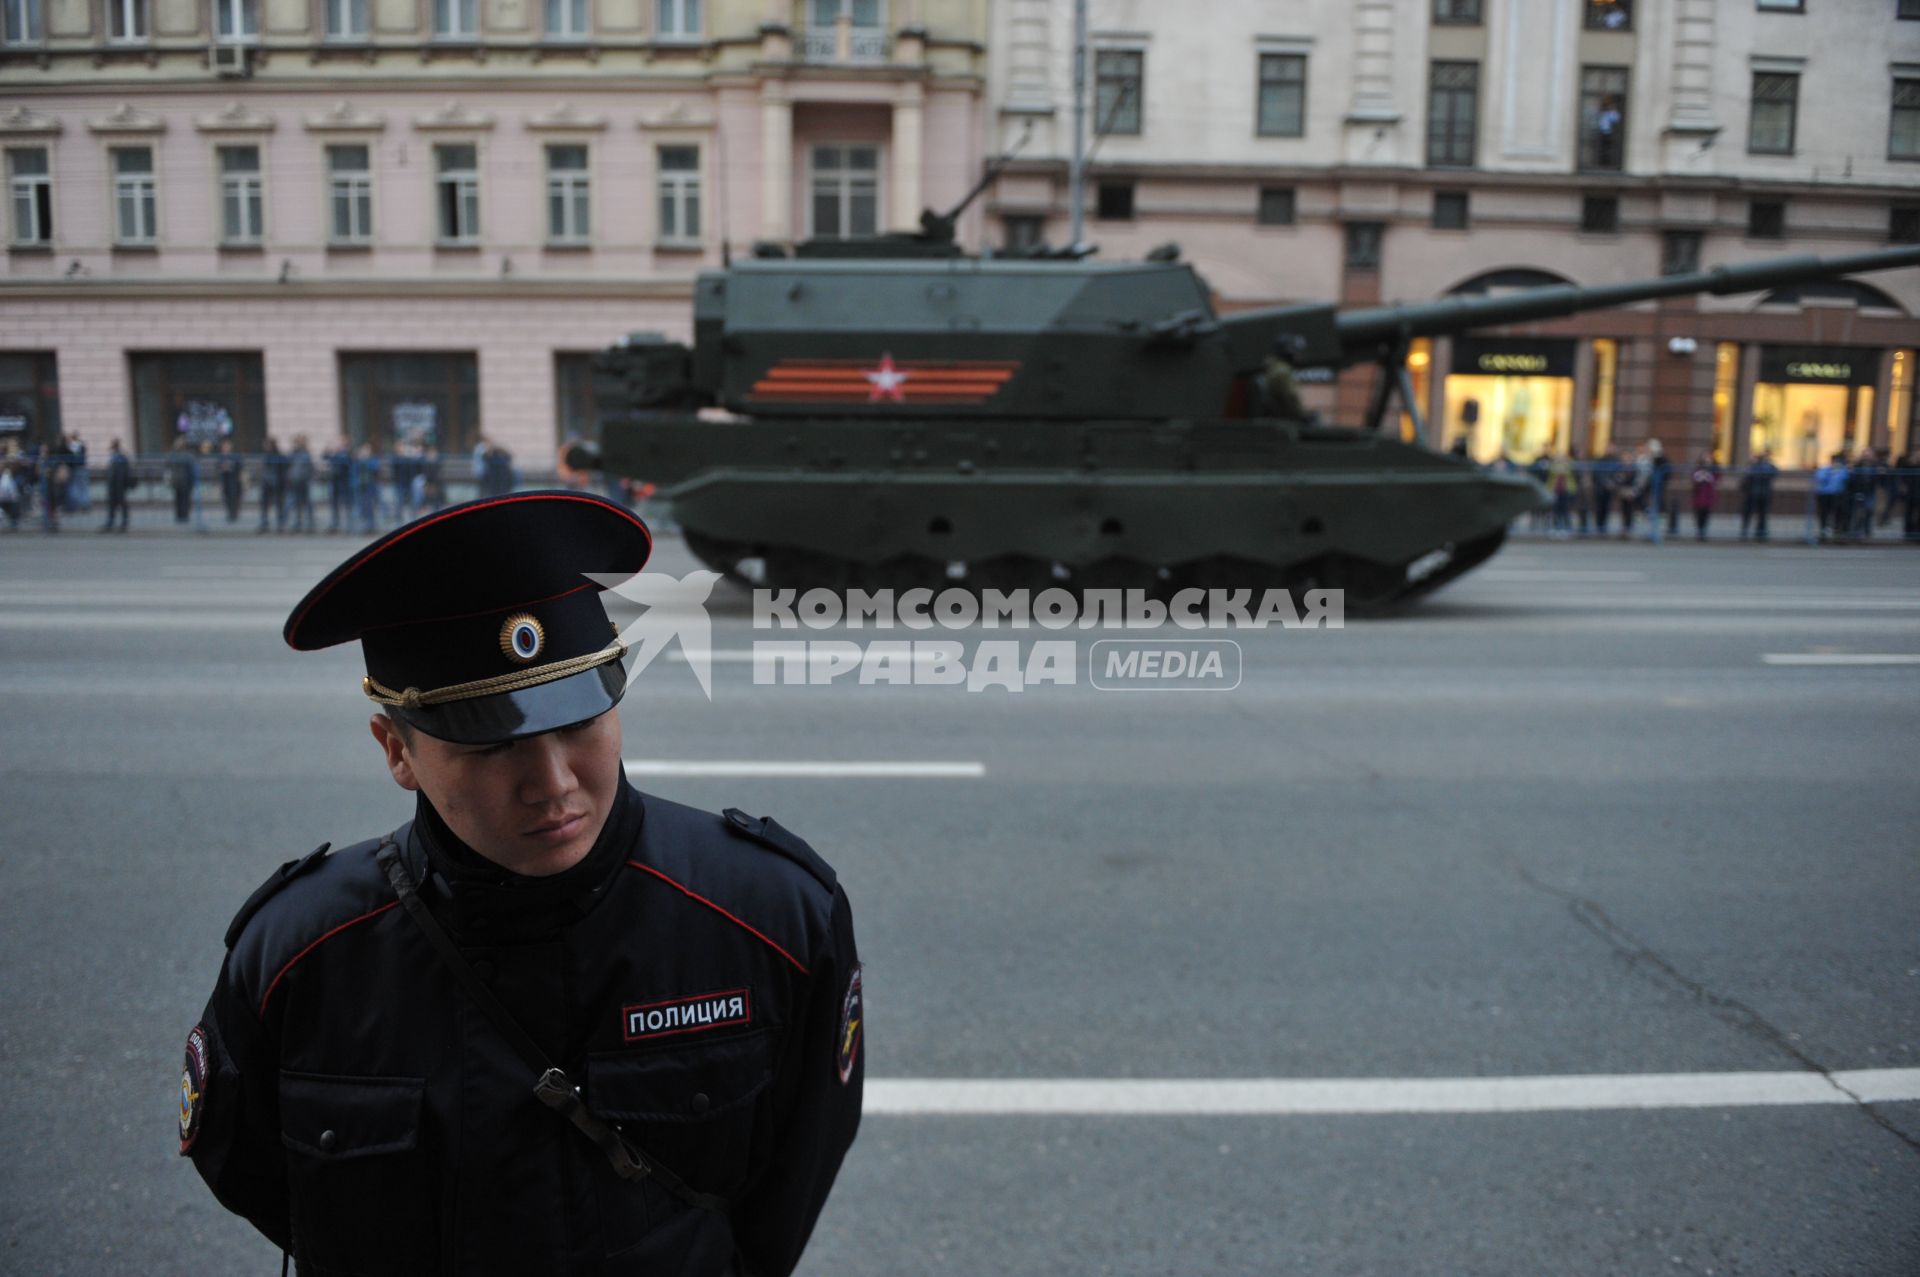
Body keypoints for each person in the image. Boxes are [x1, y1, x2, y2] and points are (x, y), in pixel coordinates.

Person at [178, 492, 863, 1276]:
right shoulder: (300, 957)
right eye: (492, 746)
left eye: (579, 721)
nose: (554, 782)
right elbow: (253, 1169)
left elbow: (788, 1186)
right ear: (395, 749)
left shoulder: (769, 917)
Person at [1740, 450, 1778, 542]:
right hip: (1752, 494)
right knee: (1749, 513)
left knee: (1762, 515)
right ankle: (1746, 532)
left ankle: (1760, 533)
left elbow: (1775, 473)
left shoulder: (1769, 467)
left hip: (1763, 494)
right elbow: (1750, 476)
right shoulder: (1755, 466)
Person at [101, 438, 134, 532]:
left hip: (119, 484)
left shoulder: (121, 457)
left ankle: (123, 522)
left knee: (121, 503)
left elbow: (123, 472)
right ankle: (112, 522)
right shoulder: (116, 457)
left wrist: (122, 483)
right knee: (112, 504)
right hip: (114, 484)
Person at [286, 434, 316, 533]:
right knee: (297, 503)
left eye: (301, 441)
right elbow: (288, 464)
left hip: (305, 481)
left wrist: (310, 478)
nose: (299, 443)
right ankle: (298, 523)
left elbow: (310, 467)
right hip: (295, 481)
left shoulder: (306, 453)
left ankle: (310, 523)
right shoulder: (293, 453)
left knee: (307, 503)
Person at [326, 437, 355, 533]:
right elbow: (325, 457)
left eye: (341, 444)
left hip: (344, 482)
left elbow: (346, 462)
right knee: (335, 505)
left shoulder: (347, 453)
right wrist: (328, 450)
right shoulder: (336, 454)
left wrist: (336, 454)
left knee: (347, 504)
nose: (339, 445)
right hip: (335, 482)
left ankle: (349, 525)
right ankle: (335, 524)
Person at [1689, 452, 1718, 541]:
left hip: (1707, 496)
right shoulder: (1698, 469)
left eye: (1708, 458)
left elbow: (1716, 478)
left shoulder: (1713, 469)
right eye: (1705, 458)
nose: (1707, 460)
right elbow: (1694, 479)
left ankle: (1703, 533)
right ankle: (1699, 533)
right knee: (1699, 516)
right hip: (1699, 497)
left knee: (1706, 516)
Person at [217, 439, 244, 524]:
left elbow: (240, 467)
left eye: (227, 446)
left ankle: (234, 514)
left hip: (234, 480)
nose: (225, 448)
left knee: (234, 497)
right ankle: (230, 513)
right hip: (225, 481)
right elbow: (218, 469)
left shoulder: (235, 456)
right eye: (224, 446)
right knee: (226, 497)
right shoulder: (221, 457)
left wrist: (230, 467)